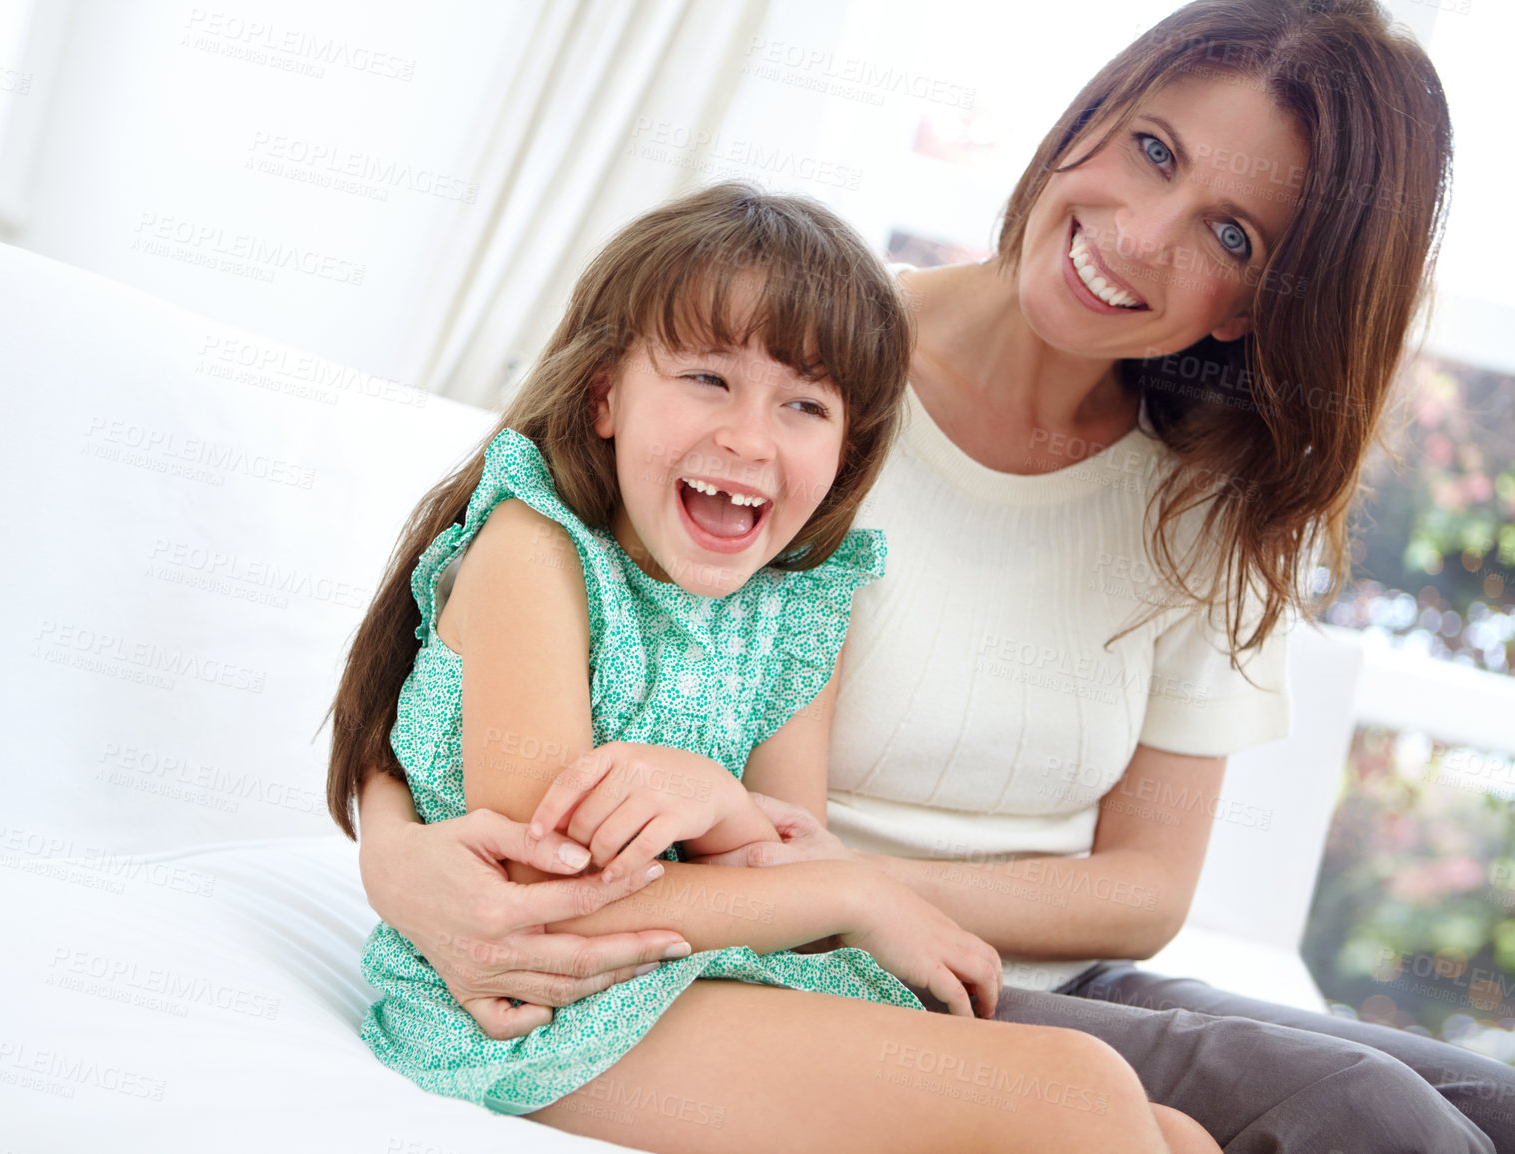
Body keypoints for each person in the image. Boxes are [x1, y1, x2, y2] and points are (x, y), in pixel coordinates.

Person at [346, 1, 1515, 1151]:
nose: (1142, 235)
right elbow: (450, 659)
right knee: (1359, 1116)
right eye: (1153, 151)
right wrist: (398, 859)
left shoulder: (1200, 497)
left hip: (947, 950)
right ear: (1090, 117)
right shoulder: (808, 371)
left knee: (1485, 1104)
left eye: (1232, 237)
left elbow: (1132, 883)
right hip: (816, 955)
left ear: (1268, 306)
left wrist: (843, 880)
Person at [327, 182, 1220, 1152]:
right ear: (603, 395)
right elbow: (553, 911)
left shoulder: (796, 602)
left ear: (846, 454)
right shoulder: (533, 552)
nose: (748, 438)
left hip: (712, 967)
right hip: (544, 1009)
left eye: (803, 403)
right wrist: (860, 892)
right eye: (707, 378)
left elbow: (777, 853)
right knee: (1078, 1092)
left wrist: (716, 798)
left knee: (1169, 1129)